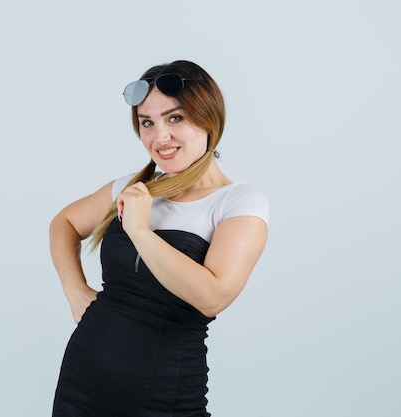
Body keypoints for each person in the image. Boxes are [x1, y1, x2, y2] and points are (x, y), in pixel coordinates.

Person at [49, 60, 269, 417]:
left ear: (209, 118)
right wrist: (75, 292)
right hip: (82, 383)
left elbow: (212, 298)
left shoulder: (239, 203)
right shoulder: (131, 187)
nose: (159, 137)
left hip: (164, 396)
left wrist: (138, 230)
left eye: (175, 118)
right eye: (147, 122)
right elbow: (64, 223)